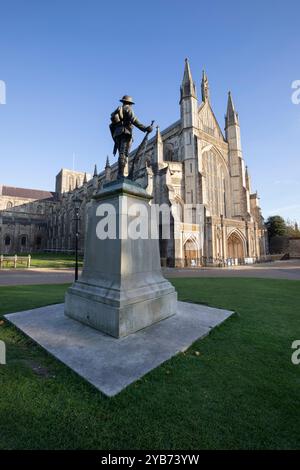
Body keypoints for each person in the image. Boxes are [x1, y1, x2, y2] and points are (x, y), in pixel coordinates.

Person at [110, 95, 153, 178]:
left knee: (122, 154)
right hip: (125, 132)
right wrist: (145, 128)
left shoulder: (120, 109)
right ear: (130, 103)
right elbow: (134, 120)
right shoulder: (127, 109)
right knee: (123, 153)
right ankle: (120, 174)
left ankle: (120, 174)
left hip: (117, 134)